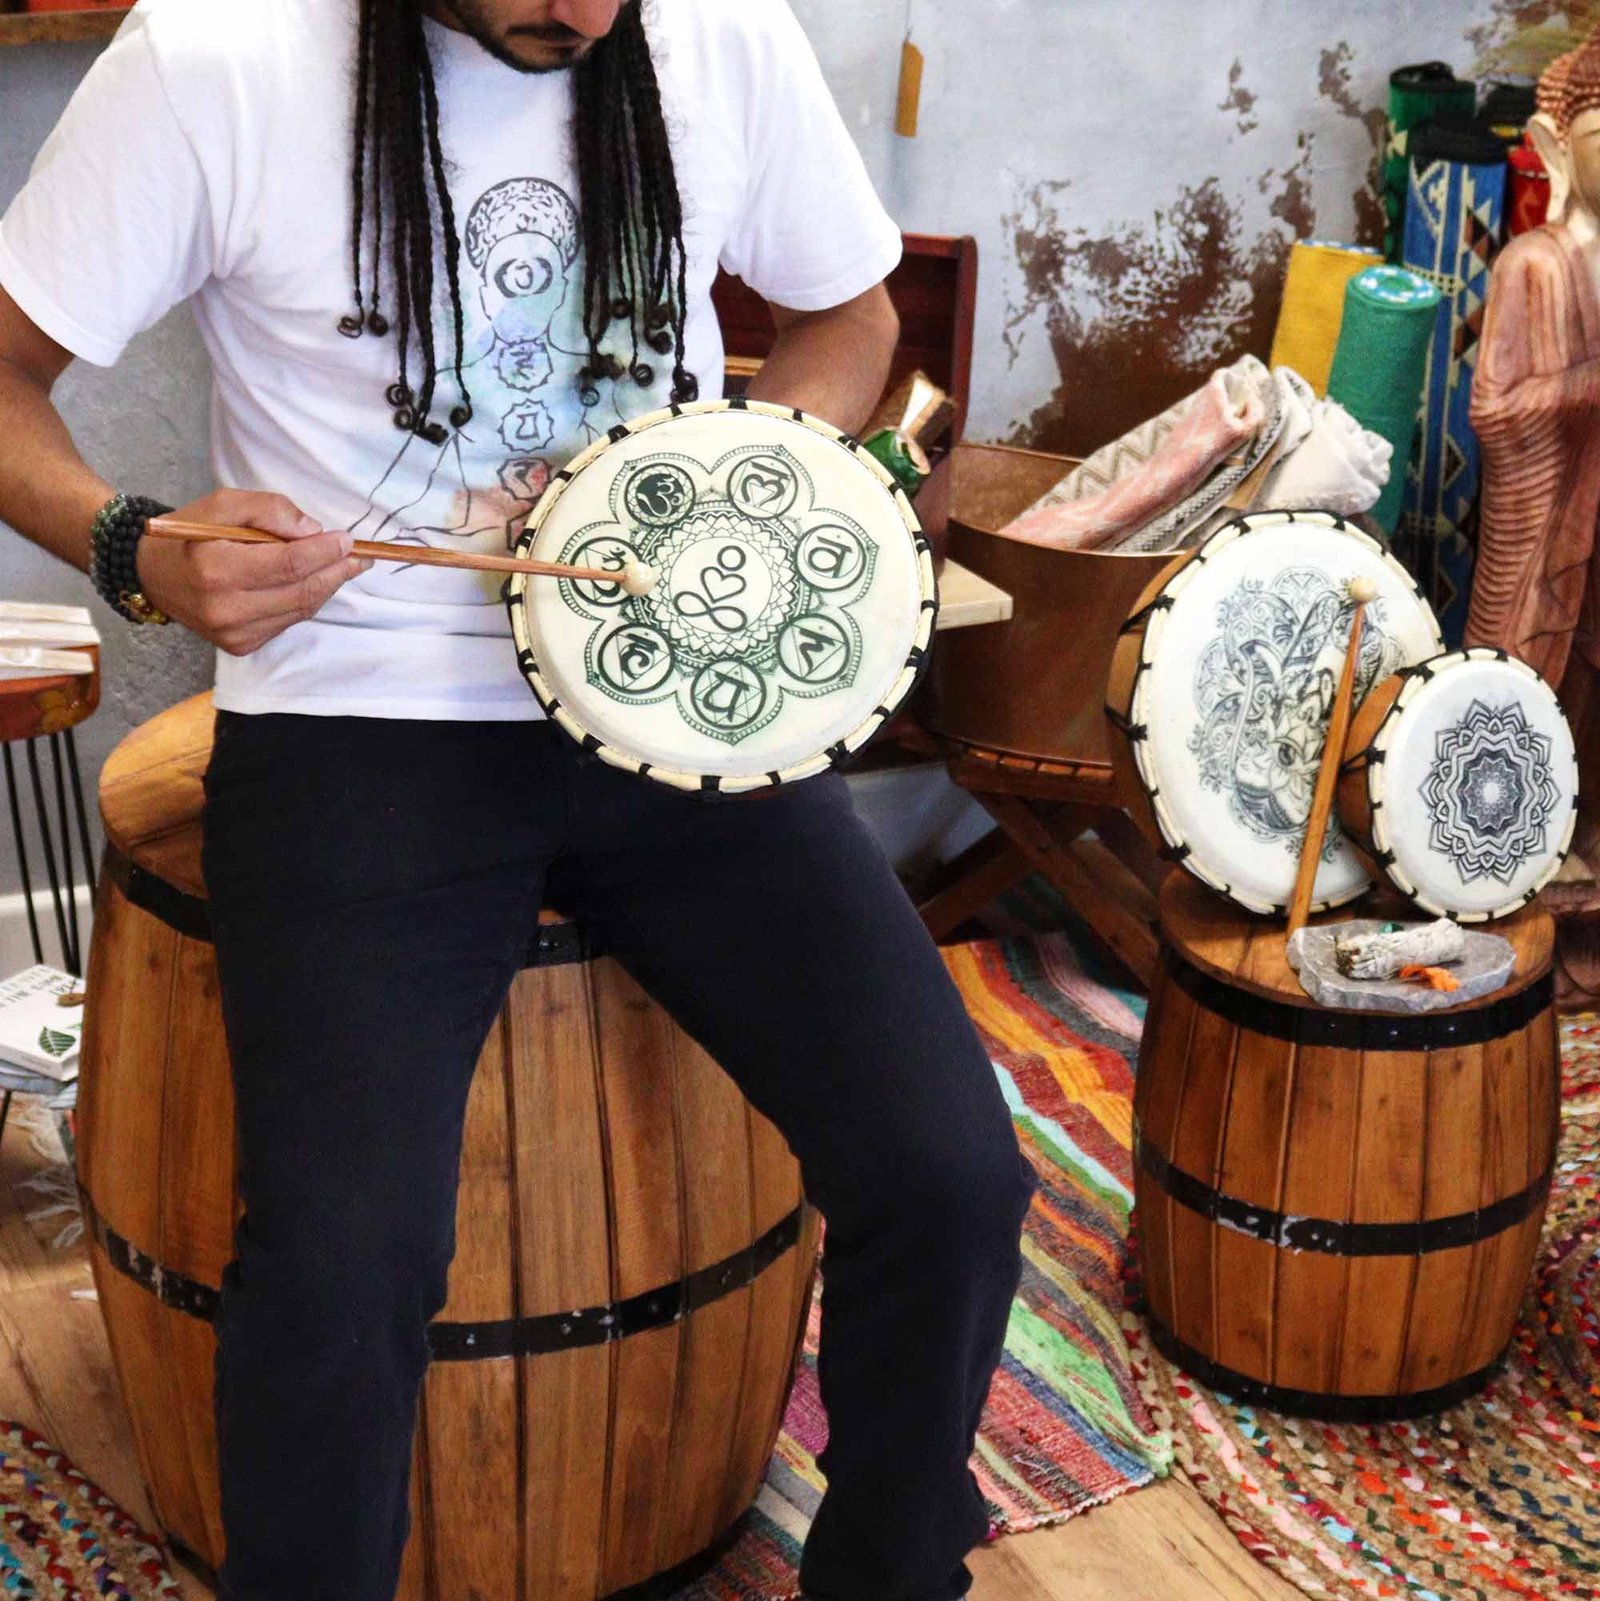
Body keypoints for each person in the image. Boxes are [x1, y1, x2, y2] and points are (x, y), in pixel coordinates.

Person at [0, 3, 1039, 1600]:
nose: (578, 8)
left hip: (666, 698)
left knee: (954, 1175)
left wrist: (716, 501)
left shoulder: (714, 35)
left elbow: (849, 319)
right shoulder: (215, 57)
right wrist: (135, 545)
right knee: (342, 1269)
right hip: (363, 717)